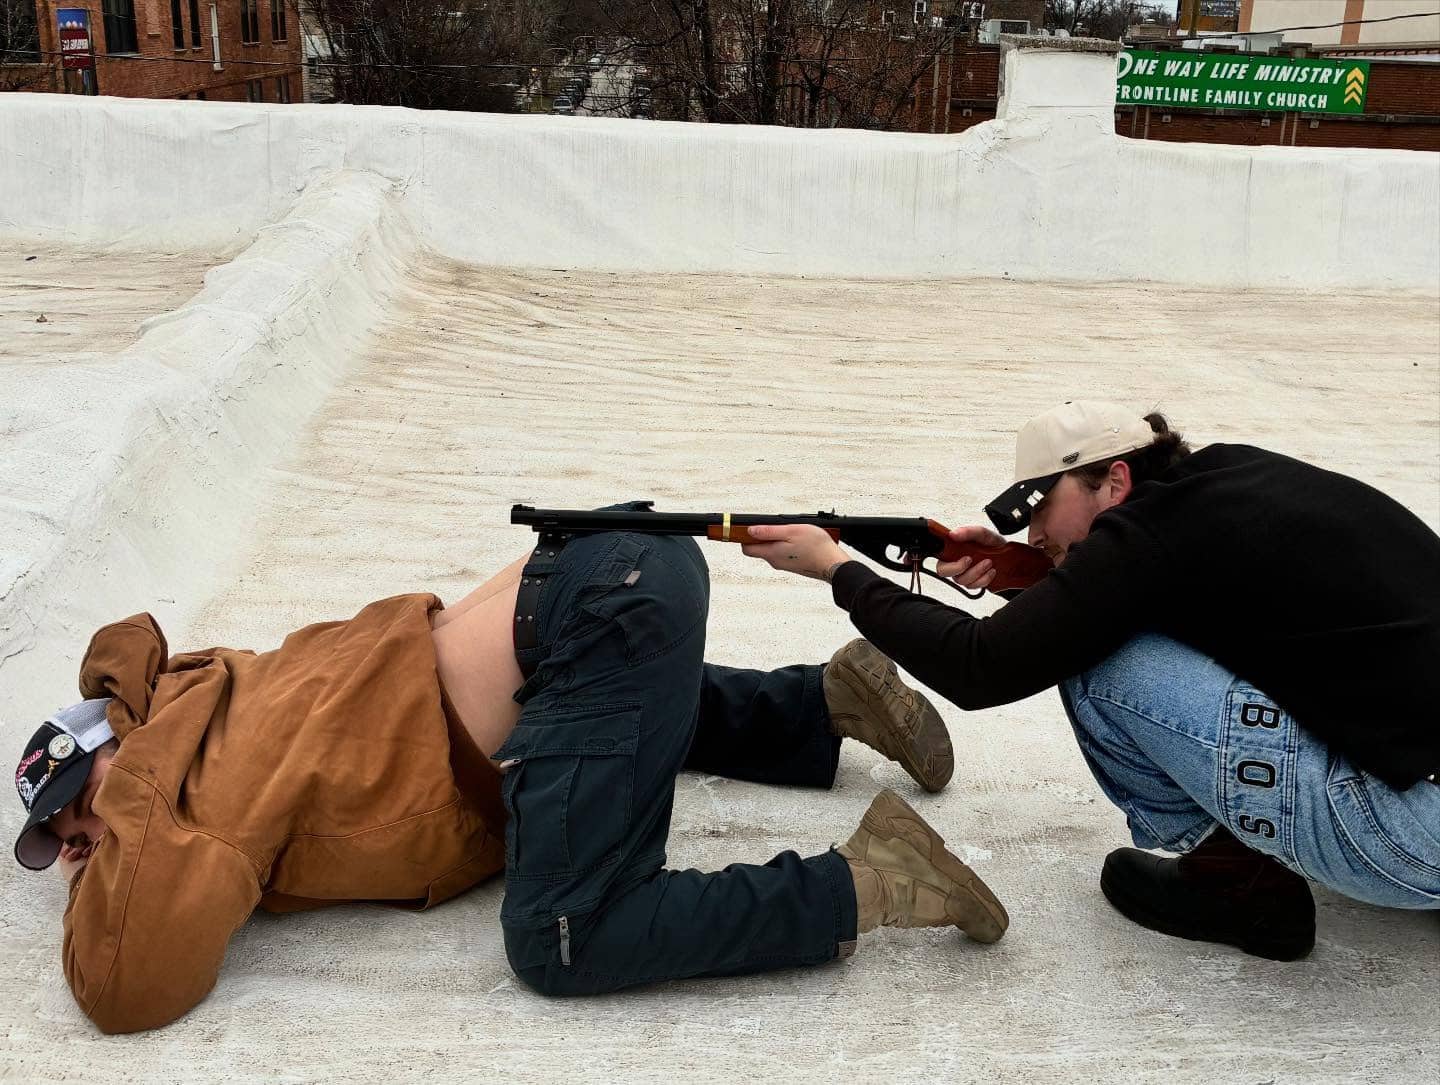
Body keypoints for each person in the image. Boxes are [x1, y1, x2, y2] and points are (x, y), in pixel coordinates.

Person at [13, 513, 1007, 1034]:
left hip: (599, 606)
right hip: (599, 584)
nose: (72, 853)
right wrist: (109, 782)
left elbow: (126, 986)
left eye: (69, 824)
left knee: (564, 936)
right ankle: (824, 702)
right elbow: (120, 661)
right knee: (585, 730)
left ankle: (869, 876)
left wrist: (118, 821)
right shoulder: (204, 690)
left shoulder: (200, 794)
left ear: (116, 764)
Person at [740, 401, 1440, 961]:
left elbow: (979, 666)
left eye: (1042, 507)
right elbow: (1176, 604)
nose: (1035, 531)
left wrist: (839, 570)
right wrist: (1032, 574)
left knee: (1100, 666)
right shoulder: (1224, 484)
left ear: (1116, 481)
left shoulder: (1147, 537)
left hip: (1410, 832)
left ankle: (1242, 887)